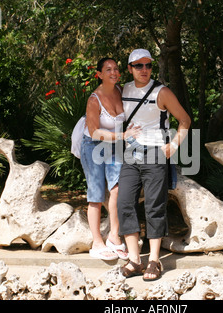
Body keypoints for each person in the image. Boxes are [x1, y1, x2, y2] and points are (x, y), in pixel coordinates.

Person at [117, 49, 191, 281]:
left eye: (147, 65)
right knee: (125, 203)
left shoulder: (162, 92)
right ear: (129, 68)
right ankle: (134, 260)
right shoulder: (124, 90)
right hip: (131, 155)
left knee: (155, 206)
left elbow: (185, 120)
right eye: (138, 66)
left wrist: (174, 146)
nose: (144, 70)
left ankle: (154, 260)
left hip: (155, 154)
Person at [81, 57, 140, 261]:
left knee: (118, 188)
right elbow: (94, 132)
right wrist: (123, 136)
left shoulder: (120, 91)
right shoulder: (93, 99)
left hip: (114, 145)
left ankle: (114, 237)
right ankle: (97, 242)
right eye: (108, 70)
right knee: (96, 194)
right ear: (99, 74)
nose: (114, 72)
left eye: (116, 69)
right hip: (93, 145)